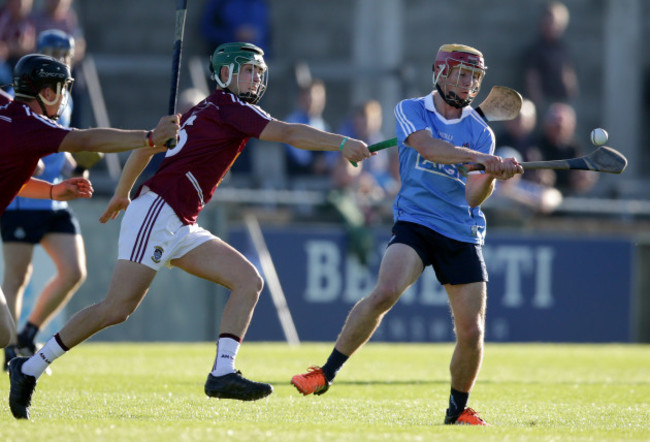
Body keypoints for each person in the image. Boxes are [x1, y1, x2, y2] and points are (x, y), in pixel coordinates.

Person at [7, 42, 371, 420]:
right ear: (227, 73)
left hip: (180, 220)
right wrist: (340, 143)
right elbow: (289, 133)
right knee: (116, 308)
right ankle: (29, 367)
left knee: (248, 280)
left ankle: (222, 372)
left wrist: (122, 192)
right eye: (249, 70)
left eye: (259, 72)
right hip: (160, 211)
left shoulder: (210, 109)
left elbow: (148, 147)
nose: (256, 78)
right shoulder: (229, 108)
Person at [290, 43, 523, 426]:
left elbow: (472, 195)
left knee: (472, 330)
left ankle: (457, 409)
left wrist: (492, 177)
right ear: (441, 73)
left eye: (475, 78)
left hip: (460, 231)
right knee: (385, 292)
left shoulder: (481, 131)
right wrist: (477, 159)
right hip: (416, 221)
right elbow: (427, 147)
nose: (469, 84)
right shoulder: (411, 109)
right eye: (462, 74)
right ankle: (324, 374)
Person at [0, 52, 179, 366]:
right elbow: (86, 140)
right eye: (60, 88)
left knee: (3, 333)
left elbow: (13, 178)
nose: (64, 96)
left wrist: (53, 190)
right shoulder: (29, 125)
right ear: (45, 92)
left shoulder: (7, 108)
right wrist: (149, 138)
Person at [1, 30, 87, 370]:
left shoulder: (64, 95)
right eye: (51, 51)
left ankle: (28, 333)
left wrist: (78, 167)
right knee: (18, 276)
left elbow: (59, 147)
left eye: (63, 52)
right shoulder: (24, 95)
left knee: (73, 271)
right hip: (23, 198)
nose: (59, 58)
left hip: (53, 198)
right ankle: (10, 346)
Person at [523, 1, 578, 112]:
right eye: (548, 22)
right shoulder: (536, 49)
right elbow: (532, 78)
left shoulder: (563, 48)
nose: (551, 26)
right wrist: (539, 105)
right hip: (545, 102)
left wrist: (571, 97)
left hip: (562, 101)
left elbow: (568, 73)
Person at [536, 102, 596, 195]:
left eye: (562, 127)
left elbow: (580, 176)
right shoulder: (537, 146)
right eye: (556, 126)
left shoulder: (573, 148)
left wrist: (582, 177)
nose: (559, 131)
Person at [283, 78, 336, 181]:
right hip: (297, 182)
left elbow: (331, 157)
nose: (315, 103)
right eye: (310, 98)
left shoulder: (325, 126)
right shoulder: (291, 123)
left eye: (319, 99)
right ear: (301, 98)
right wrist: (316, 164)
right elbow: (300, 158)